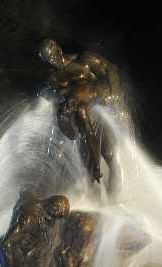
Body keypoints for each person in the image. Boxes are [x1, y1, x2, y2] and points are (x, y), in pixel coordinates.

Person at [40, 39, 122, 187]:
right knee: (80, 170)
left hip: (98, 112)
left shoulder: (83, 59)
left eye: (52, 57)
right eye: (47, 60)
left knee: (112, 157)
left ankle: (117, 201)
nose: (52, 62)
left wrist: (113, 94)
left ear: (59, 49)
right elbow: (54, 98)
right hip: (76, 120)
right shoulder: (52, 77)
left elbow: (110, 68)